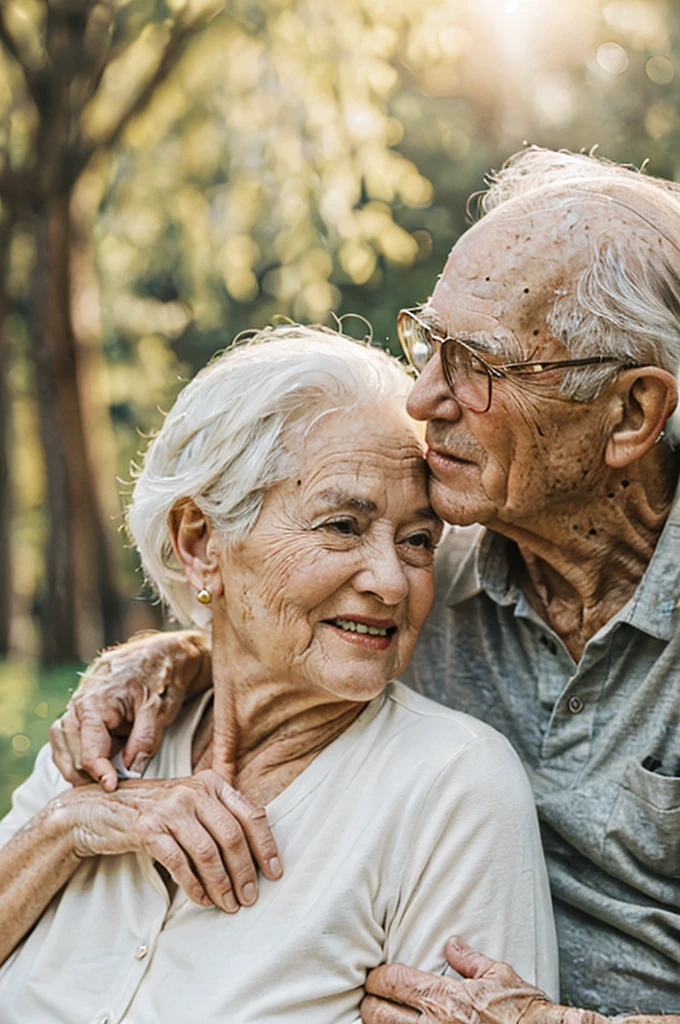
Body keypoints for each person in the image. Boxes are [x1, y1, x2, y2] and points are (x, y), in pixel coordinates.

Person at [53, 148, 680, 1024]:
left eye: (481, 366)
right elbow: (292, 606)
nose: (425, 398)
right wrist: (170, 657)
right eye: (431, 344)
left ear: (631, 413)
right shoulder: (438, 562)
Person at [0, 327, 558, 1023]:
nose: (391, 581)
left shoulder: (451, 786)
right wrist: (71, 824)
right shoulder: (112, 732)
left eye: (417, 540)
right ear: (201, 545)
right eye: (342, 526)